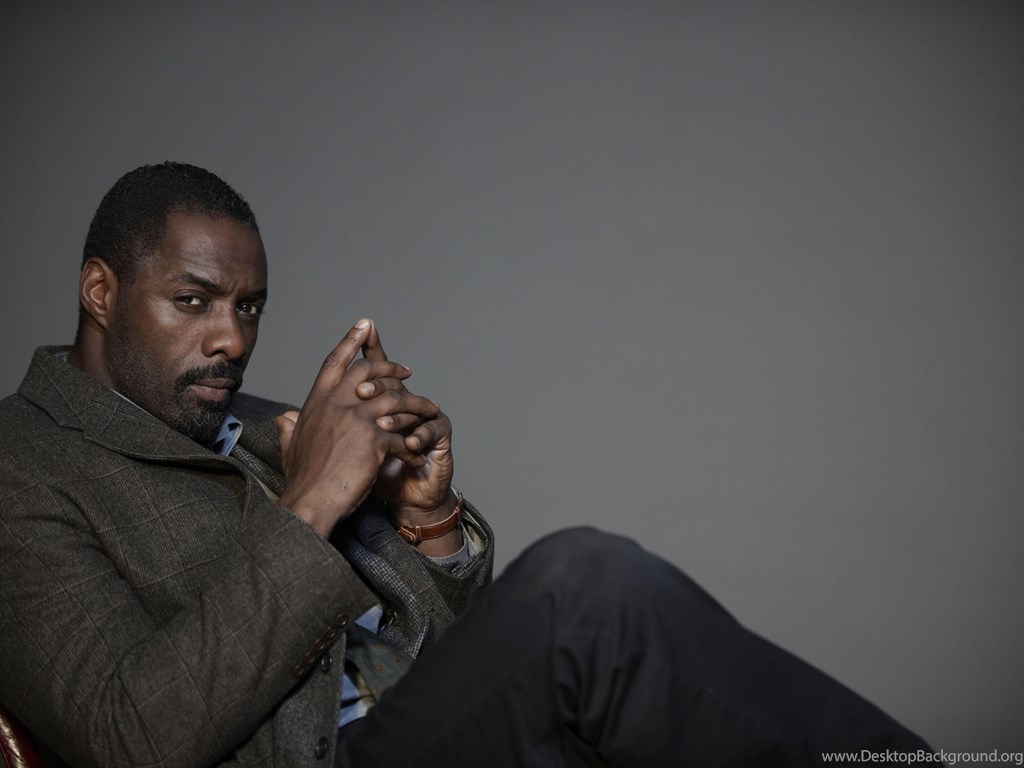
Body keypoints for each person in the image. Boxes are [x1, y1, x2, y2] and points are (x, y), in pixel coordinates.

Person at [0, 162, 932, 767]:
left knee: (624, 697)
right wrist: (313, 499)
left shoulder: (240, 419)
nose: (231, 339)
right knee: (582, 590)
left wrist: (427, 523)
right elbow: (129, 739)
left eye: (249, 308)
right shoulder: (24, 467)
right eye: (194, 300)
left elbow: (427, 646)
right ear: (101, 291)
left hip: (411, 732)